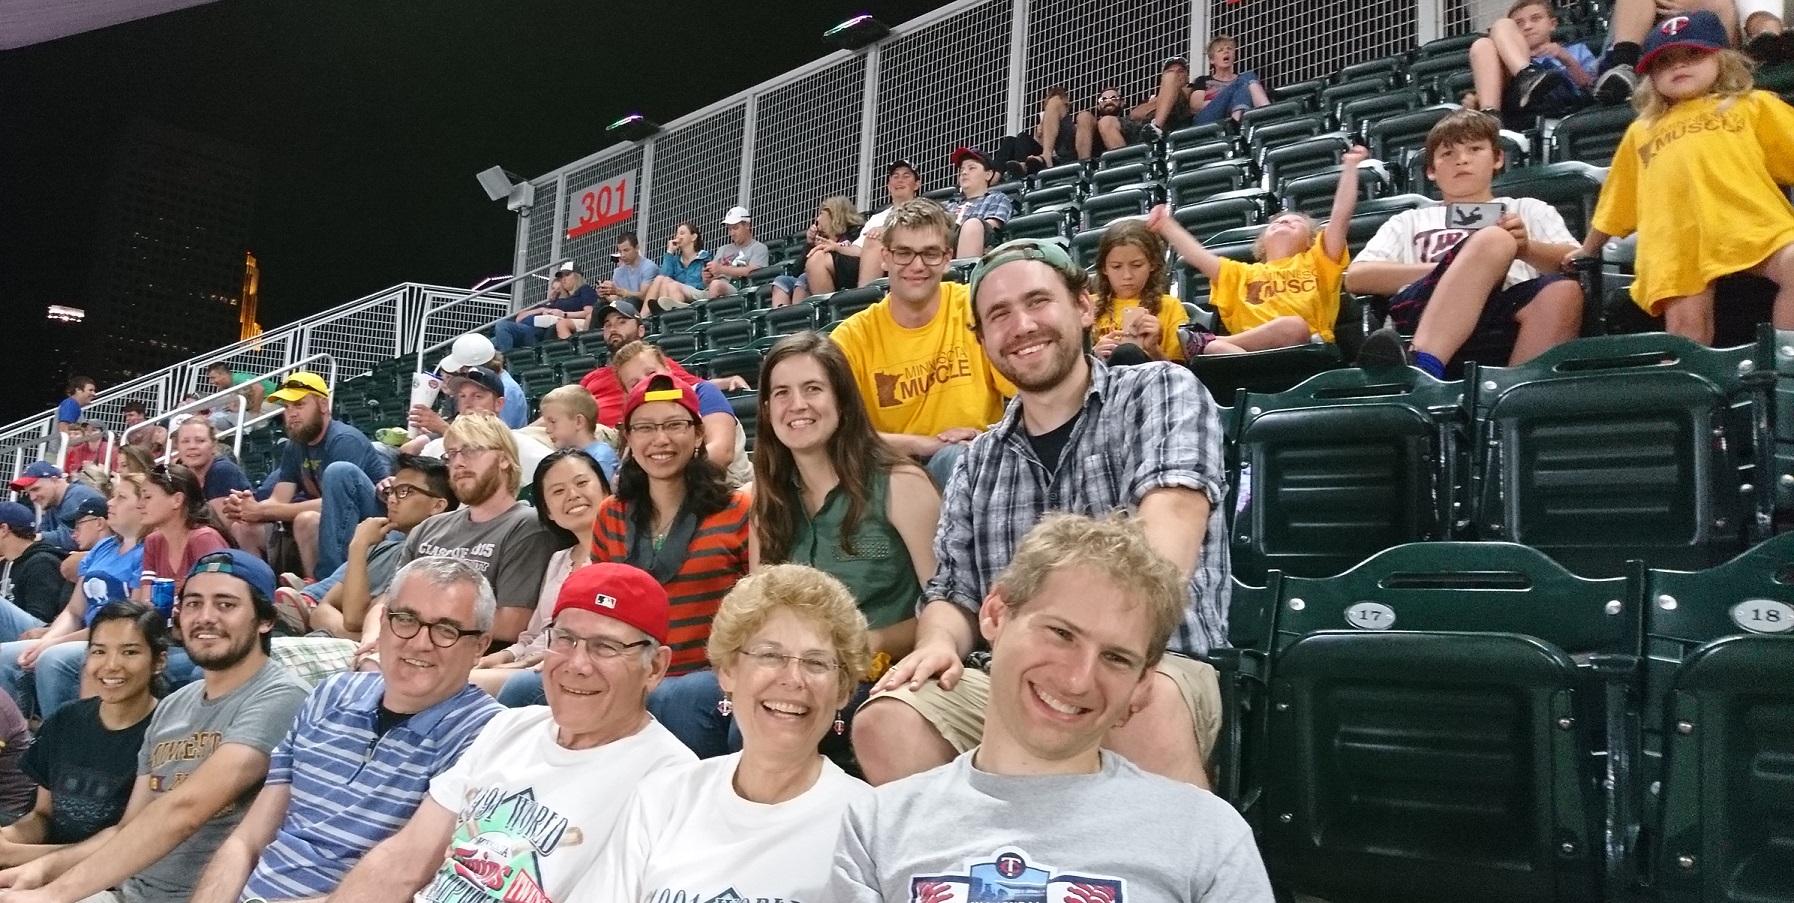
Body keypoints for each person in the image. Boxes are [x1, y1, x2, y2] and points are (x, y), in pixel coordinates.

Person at [853, 239, 1229, 790]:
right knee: (890, 715)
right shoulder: (976, 461)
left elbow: (1167, 535)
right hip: (1013, 673)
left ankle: (1175, 872)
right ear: (984, 342)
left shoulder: (1160, 390)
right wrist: (936, 645)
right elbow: (952, 594)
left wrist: (1098, 656)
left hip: (1155, 655)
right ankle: (984, 868)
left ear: (1082, 307)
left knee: (1129, 701)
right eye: (999, 315)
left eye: (1037, 301)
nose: (1022, 325)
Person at [826, 514, 1274, 903]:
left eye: (1116, 658)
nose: (1078, 679)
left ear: (1141, 685)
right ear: (996, 614)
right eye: (1061, 633)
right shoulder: (877, 825)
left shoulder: (1207, 834)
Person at [321, 562, 695, 903]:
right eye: (565, 639)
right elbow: (405, 859)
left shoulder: (673, 783)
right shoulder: (510, 727)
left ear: (655, 667)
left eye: (606, 647)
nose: (576, 664)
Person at [188, 557, 505, 903]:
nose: (419, 642)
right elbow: (247, 840)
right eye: (406, 619)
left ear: (480, 646)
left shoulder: (487, 736)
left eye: (446, 629)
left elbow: (408, 879)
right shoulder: (331, 694)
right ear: (383, 622)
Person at [0, 550, 310, 903]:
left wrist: (55, 893)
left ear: (265, 619)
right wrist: (41, 870)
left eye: (226, 604)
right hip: (128, 891)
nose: (205, 617)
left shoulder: (281, 696)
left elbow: (186, 810)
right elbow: (130, 827)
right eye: (193, 603)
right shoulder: (175, 706)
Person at [578, 565, 873, 902]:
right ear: (729, 671)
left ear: (842, 691)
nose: (793, 679)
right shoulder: (663, 797)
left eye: (816, 663)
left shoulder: (865, 826)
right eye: (770, 655)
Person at [1575, 11, 1794, 346]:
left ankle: (1784, 370)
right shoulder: (1641, 130)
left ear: (1723, 59)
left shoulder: (1752, 105)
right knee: (1686, 329)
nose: (1678, 66)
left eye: (1693, 54)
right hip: (1674, 242)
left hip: (1750, 223)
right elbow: (1617, 201)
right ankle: (1695, 398)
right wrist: (1586, 250)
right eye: (1663, 62)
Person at [1348, 109, 1583, 377]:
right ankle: (1422, 369)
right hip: (1425, 309)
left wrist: (1526, 249)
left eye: (1474, 149)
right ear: (1431, 171)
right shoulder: (1409, 220)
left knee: (1564, 290)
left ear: (1498, 158)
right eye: (1448, 154)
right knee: (1494, 238)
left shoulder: (1528, 209)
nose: (1462, 160)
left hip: (1507, 313)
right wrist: (1462, 269)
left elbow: (1575, 260)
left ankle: (1513, 401)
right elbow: (1357, 277)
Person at [589, 376, 750, 750]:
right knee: (523, 688)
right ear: (628, 438)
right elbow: (599, 610)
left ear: (697, 435)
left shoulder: (739, 510)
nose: (660, 440)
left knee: (679, 696)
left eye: (675, 425)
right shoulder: (610, 515)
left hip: (706, 679)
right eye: (645, 427)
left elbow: (756, 613)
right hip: (628, 674)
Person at [828, 199, 1016, 488]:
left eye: (930, 253)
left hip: (980, 461)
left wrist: (990, 435)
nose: (917, 265)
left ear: (946, 258)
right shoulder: (853, 337)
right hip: (890, 474)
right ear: (885, 257)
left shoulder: (974, 307)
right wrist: (928, 445)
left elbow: (1030, 391)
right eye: (903, 253)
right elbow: (837, 434)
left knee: (958, 459)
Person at [1147, 150, 1368, 358]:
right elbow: (1197, 255)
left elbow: (1340, 216)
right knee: (1216, 349)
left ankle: (1207, 342)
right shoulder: (1241, 274)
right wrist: (1166, 225)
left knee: (1293, 325)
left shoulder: (1318, 262)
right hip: (1246, 358)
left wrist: (1350, 167)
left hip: (1307, 349)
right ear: (1261, 244)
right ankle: (1215, 345)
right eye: (1276, 222)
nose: (1284, 220)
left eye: (1295, 221)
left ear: (1311, 241)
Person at [0, 603, 165, 867]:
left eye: (130, 652)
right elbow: (43, 816)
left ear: (159, 662)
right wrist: (9, 837)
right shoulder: (67, 719)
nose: (111, 665)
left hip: (112, 876)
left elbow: (129, 845)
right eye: (99, 651)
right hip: (45, 864)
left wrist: (18, 857)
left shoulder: (165, 733)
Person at [390, 412, 554, 649]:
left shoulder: (527, 526)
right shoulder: (428, 527)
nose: (458, 462)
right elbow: (388, 601)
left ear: (504, 459)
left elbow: (511, 623)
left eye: (472, 450)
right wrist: (373, 638)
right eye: (451, 454)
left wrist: (418, 623)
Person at [471, 449, 609, 701]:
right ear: (548, 512)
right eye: (558, 491)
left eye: (581, 483)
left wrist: (517, 666)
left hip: (565, 668)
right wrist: (504, 656)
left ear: (606, 491)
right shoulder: (559, 560)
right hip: (527, 665)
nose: (573, 495)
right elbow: (534, 635)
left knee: (463, 685)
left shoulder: (619, 557)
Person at [222, 372, 390, 579]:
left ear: (323, 405)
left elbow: (334, 503)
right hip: (322, 529)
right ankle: (257, 590)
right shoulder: (295, 446)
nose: (291, 413)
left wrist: (261, 512)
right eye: (286, 407)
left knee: (306, 520)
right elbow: (278, 499)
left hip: (365, 525)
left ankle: (317, 588)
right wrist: (246, 509)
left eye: (299, 405)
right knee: (243, 528)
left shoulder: (344, 439)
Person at [275, 452, 459, 641]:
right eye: (391, 492)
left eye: (405, 491)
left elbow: (358, 621)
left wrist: (359, 544)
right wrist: (359, 546)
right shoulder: (381, 549)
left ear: (437, 505)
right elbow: (321, 612)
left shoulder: (435, 560)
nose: (393, 500)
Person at [0, 489, 141, 719]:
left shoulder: (148, 551)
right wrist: (45, 640)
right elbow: (74, 612)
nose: (111, 504)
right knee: (4, 654)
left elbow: (130, 620)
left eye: (121, 498)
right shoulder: (103, 548)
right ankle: (17, 736)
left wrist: (50, 642)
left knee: (52, 658)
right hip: (74, 631)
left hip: (111, 636)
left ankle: (60, 738)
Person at [575, 306, 747, 427]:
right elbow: (568, 406)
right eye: (607, 325)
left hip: (629, 432)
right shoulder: (593, 376)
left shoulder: (657, 365)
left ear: (641, 331)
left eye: (621, 322)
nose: (613, 329)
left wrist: (730, 380)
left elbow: (695, 386)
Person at [612, 343, 753, 487]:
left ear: (668, 370)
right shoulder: (635, 421)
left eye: (651, 373)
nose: (646, 383)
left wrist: (665, 475)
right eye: (634, 384)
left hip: (729, 487)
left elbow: (722, 452)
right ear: (628, 394)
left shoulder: (703, 393)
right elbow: (622, 477)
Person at [1593, 0, 1771, 101]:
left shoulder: (1762, 107)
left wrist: (1695, 11)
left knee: (1721, 3)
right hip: (1656, 33)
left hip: (1716, 31)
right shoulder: (1639, 133)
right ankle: (1623, 66)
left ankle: (1732, 70)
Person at [1088, 218, 1204, 362]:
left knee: (1128, 353)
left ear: (1153, 264)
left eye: (1137, 265)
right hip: (1102, 381)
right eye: (1116, 267)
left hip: (1152, 382)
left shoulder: (1169, 307)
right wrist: (1092, 356)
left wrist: (1153, 349)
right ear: (1104, 268)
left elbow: (1181, 376)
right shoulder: (1086, 307)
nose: (1127, 276)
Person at [413, 366, 555, 480]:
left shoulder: (517, 443)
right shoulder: (434, 447)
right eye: (462, 396)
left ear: (499, 404)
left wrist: (445, 428)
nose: (467, 404)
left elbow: (558, 470)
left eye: (478, 396)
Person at [1466, 0, 1598, 122]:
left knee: (1500, 25)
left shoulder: (1574, 50)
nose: (1527, 26)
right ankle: (1490, 116)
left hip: (1562, 99)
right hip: (1517, 106)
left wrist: (1565, 58)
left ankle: (1528, 76)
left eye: (1536, 19)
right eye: (1519, 23)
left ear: (1552, 24)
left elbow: (1592, 88)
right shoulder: (1502, 61)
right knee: (1482, 44)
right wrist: (1476, 101)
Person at [132, 464, 232, 613]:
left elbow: (220, 601)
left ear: (177, 500)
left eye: (147, 497)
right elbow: (147, 605)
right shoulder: (153, 541)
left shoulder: (204, 539)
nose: (139, 505)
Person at [430, 333, 530, 430]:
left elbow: (495, 438)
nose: (460, 373)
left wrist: (443, 428)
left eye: (462, 369)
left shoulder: (507, 389)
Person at [0, 502, 70, 641]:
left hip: (37, 634)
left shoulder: (42, 562)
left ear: (3, 529)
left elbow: (41, 618)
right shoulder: (6, 563)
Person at [996, 86, 1099, 179]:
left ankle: (1046, 157)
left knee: (1055, 101)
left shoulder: (1072, 123)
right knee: (1019, 138)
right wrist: (1039, 135)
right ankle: (1020, 168)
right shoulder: (1043, 124)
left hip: (1064, 157)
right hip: (1045, 159)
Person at [494, 261, 598, 351]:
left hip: (540, 331)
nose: (563, 279)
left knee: (502, 325)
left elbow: (589, 312)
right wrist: (546, 311)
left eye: (567, 275)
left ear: (576, 276)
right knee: (492, 341)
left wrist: (564, 314)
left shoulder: (585, 289)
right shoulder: (559, 298)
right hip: (538, 325)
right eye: (561, 276)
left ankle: (506, 363)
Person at [168, 418, 252, 526]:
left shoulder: (222, 470)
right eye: (185, 441)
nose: (192, 446)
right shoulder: (183, 474)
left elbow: (218, 526)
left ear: (213, 445)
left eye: (200, 441)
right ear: (178, 447)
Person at [852, 160, 923, 288]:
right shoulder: (876, 218)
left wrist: (887, 232)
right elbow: (858, 249)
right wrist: (835, 247)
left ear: (917, 184)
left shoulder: (924, 210)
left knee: (874, 241)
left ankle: (863, 297)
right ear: (889, 186)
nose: (900, 180)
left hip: (909, 256)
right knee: (819, 258)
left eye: (906, 176)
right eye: (895, 176)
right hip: (878, 260)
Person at [8, 464, 105, 554]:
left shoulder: (78, 494)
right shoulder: (52, 504)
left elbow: (76, 539)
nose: (32, 498)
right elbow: (41, 532)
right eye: (28, 493)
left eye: (36, 489)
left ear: (54, 480)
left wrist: (36, 538)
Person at [536, 385, 621, 483]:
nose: (548, 430)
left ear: (579, 422)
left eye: (553, 422)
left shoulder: (601, 457)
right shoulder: (562, 458)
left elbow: (599, 495)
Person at [942, 147, 1012, 259]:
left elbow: (991, 225)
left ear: (988, 175)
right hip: (944, 244)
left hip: (979, 245)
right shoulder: (949, 205)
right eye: (962, 170)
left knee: (973, 225)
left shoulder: (997, 198)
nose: (964, 172)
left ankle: (964, 273)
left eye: (972, 168)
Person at [1188, 36, 1273, 125]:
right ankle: (1267, 112)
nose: (1226, 51)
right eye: (1220, 50)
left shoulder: (1243, 81)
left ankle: (1236, 122)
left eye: (1229, 49)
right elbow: (1195, 106)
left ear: (1234, 55)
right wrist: (1227, 100)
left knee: (1247, 79)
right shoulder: (1203, 80)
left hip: (1236, 115)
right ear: (1212, 60)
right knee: (1246, 78)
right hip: (1206, 119)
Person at [640, 222, 711, 313]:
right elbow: (664, 275)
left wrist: (682, 287)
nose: (678, 236)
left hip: (698, 292)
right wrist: (670, 252)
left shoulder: (705, 257)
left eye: (682, 233)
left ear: (693, 237)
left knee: (671, 285)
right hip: (676, 292)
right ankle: (649, 314)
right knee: (662, 279)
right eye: (677, 234)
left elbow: (706, 282)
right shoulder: (675, 260)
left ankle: (646, 316)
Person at [803, 196, 868, 295]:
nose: (817, 219)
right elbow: (796, 271)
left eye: (821, 214)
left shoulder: (857, 232)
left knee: (816, 260)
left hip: (851, 279)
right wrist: (809, 243)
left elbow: (857, 260)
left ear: (834, 215)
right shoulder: (819, 236)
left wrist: (836, 248)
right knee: (795, 281)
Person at [703, 206, 771, 298]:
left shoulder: (759, 248)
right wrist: (706, 277)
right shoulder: (722, 249)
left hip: (740, 291)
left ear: (747, 225)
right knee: (676, 287)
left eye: (735, 228)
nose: (732, 233)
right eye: (729, 229)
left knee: (716, 285)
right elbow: (711, 280)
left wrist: (722, 269)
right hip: (711, 290)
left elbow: (754, 271)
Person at [1129, 56, 1200, 136]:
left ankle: (1156, 127)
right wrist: (1165, 99)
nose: (1175, 74)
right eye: (1170, 71)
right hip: (1147, 131)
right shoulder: (1152, 97)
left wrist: (1156, 103)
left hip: (1177, 126)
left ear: (1187, 76)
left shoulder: (1193, 89)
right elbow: (1135, 114)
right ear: (1163, 78)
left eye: (1180, 71)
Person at [597, 232, 661, 304]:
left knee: (632, 301)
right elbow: (615, 299)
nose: (623, 255)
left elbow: (645, 296)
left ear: (637, 248)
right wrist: (605, 293)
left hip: (642, 307)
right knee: (599, 304)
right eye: (620, 251)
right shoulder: (618, 272)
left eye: (626, 250)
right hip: (624, 306)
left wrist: (620, 291)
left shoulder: (649, 267)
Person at [203, 363, 271, 430]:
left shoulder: (239, 378)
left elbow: (259, 389)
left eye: (213, 378)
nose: (211, 382)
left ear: (224, 374)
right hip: (265, 401)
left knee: (249, 418)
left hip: (274, 400)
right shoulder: (230, 385)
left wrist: (255, 412)